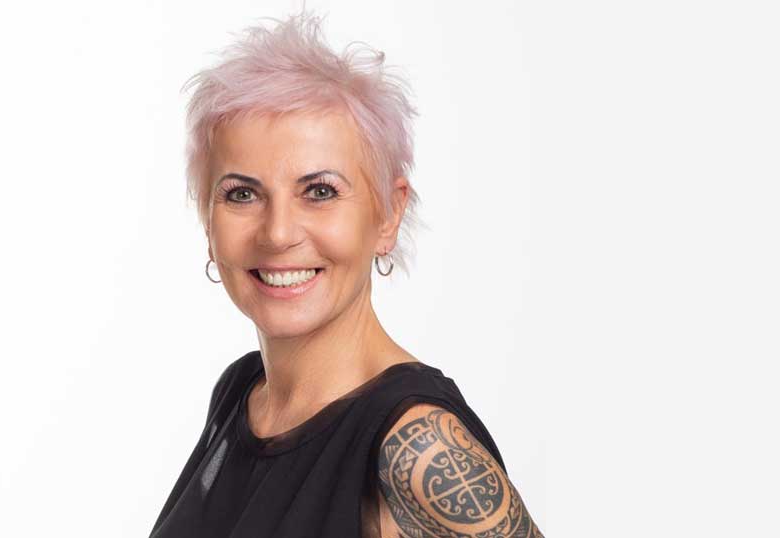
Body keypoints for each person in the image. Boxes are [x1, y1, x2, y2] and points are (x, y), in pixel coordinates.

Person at [150, 12, 544, 538]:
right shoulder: (241, 393)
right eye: (242, 194)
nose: (278, 233)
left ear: (388, 214)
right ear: (207, 219)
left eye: (320, 192)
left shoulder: (417, 446)